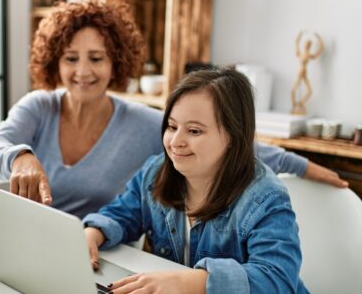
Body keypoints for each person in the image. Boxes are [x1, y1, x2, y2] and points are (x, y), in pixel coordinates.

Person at [0, 0, 347, 219]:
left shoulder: (141, 122)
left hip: (96, 251)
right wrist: (20, 156)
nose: (83, 71)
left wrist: (309, 168)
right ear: (54, 61)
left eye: (96, 58)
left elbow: (231, 142)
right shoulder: (38, 107)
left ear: (116, 63)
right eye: (71, 58)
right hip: (31, 244)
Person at [83, 68, 308, 293]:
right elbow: (123, 214)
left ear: (233, 135)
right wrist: (93, 234)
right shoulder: (156, 171)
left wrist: (191, 282)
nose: (175, 141)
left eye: (194, 131)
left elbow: (277, 278)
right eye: (172, 127)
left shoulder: (266, 197)